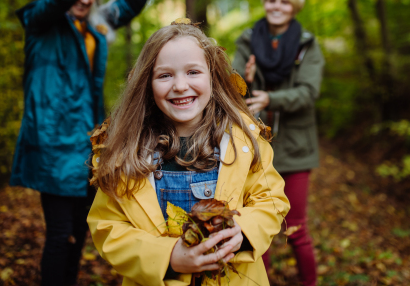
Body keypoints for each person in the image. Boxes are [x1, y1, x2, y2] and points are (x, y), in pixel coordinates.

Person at [9, 0, 172, 286]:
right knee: (60, 235)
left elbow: (126, 5)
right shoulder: (42, 23)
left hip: (88, 147)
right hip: (52, 146)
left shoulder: (94, 27)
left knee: (79, 237)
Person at [87, 22, 290, 286]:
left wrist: (244, 233)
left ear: (212, 77)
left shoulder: (243, 137)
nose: (180, 86)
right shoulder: (128, 149)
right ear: (147, 83)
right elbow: (108, 226)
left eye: (193, 72)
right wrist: (167, 257)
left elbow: (271, 200)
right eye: (165, 75)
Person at [232, 0, 324, 286]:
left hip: (295, 147)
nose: (276, 6)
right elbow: (232, 89)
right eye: (271, 0)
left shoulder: (307, 44)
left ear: (294, 7)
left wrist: (272, 99)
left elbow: (308, 92)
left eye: (284, 2)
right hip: (255, 146)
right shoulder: (247, 39)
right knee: (257, 225)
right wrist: (246, 80)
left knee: (295, 228)